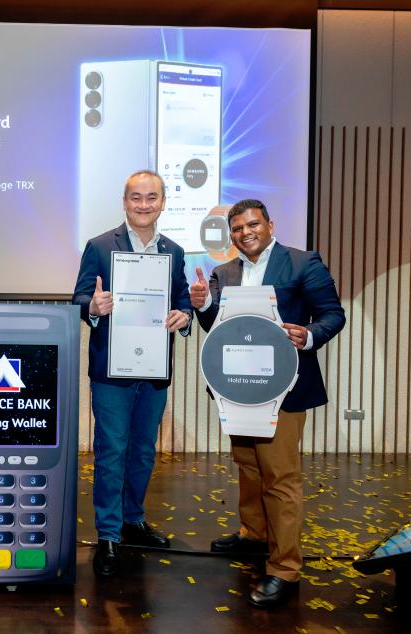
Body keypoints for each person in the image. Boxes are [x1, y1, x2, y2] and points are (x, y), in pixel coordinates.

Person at [191, 198, 345, 609]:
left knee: (279, 477)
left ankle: (285, 569)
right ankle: (253, 536)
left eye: (253, 224)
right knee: (248, 465)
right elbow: (217, 327)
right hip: (240, 389)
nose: (246, 233)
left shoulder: (302, 263)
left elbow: (333, 314)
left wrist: (308, 335)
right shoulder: (225, 273)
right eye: (238, 228)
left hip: (286, 390)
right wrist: (204, 303)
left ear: (270, 225)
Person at [72, 170, 193, 578]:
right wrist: (94, 306)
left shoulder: (175, 252)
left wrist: (185, 314)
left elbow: (181, 301)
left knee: (143, 450)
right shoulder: (100, 246)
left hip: (154, 369)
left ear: (163, 202)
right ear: (124, 202)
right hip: (112, 371)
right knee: (111, 451)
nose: (144, 205)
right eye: (136, 198)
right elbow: (79, 299)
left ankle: (132, 520)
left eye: (151, 197)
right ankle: (108, 533)